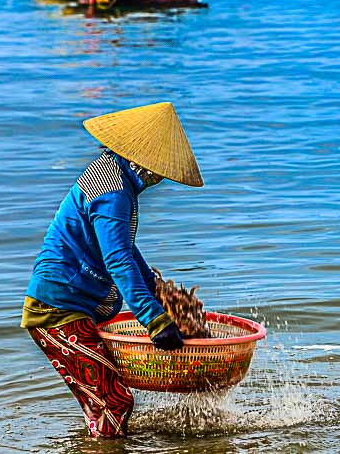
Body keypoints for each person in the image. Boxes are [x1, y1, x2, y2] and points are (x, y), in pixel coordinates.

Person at [20, 102, 203, 438]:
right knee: (114, 402)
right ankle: (103, 446)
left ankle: (100, 442)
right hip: (57, 310)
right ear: (145, 162)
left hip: (73, 303)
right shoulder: (114, 191)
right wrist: (155, 320)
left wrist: (156, 287)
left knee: (105, 397)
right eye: (159, 172)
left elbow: (122, 248)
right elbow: (117, 259)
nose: (159, 179)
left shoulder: (110, 173)